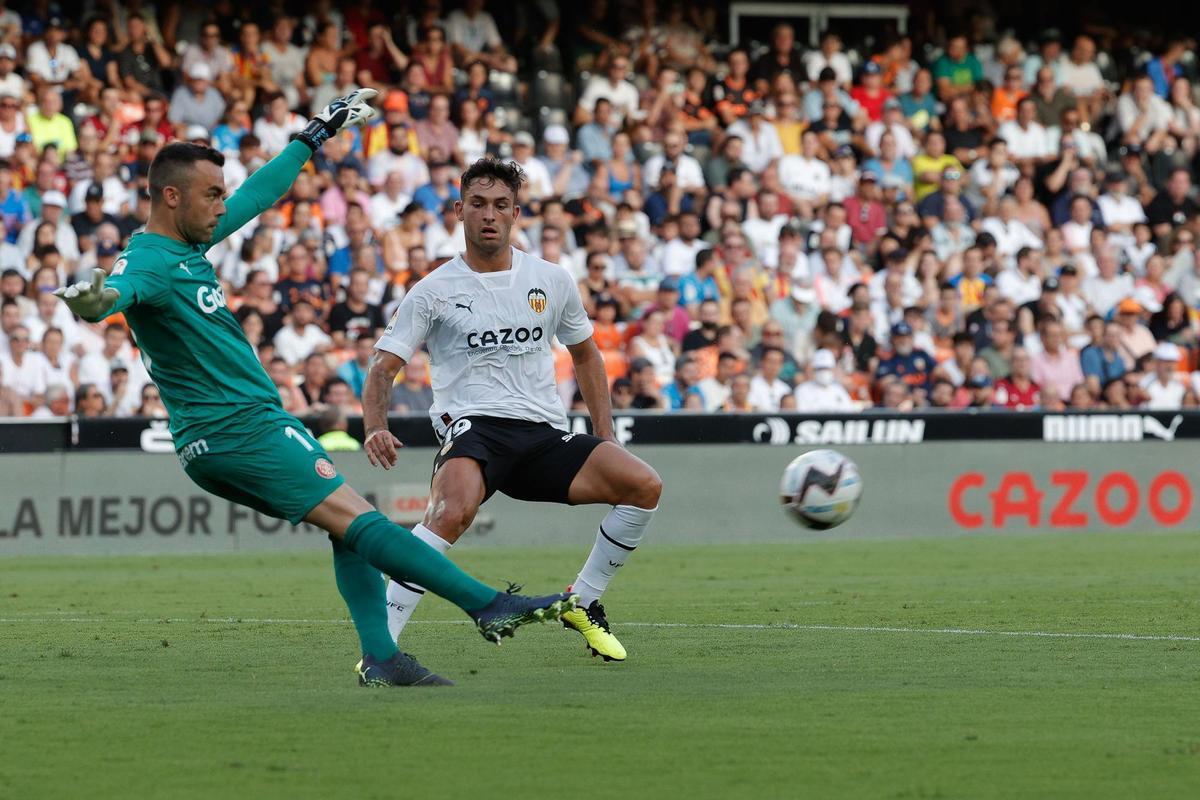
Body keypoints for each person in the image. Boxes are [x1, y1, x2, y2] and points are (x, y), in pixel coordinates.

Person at [54, 89, 575, 689]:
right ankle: (487, 604)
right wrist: (98, 306)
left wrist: (312, 136)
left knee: (345, 530)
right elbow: (119, 292)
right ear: (171, 197)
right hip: (243, 429)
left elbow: (257, 193)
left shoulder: (185, 245)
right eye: (211, 195)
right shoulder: (148, 261)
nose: (225, 206)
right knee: (365, 523)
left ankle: (382, 658)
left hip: (212, 441)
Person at [364, 157, 663, 667]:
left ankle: (583, 601)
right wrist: (375, 426)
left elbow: (587, 353)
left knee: (644, 485)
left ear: (516, 213)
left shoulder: (550, 279)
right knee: (448, 514)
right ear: (459, 210)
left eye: (501, 205)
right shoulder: (433, 291)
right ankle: (380, 647)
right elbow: (381, 367)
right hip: (475, 429)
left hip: (543, 434)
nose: (489, 215)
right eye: (478, 204)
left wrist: (604, 434)